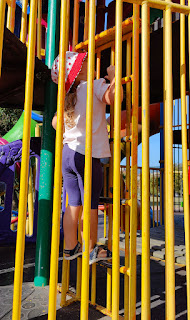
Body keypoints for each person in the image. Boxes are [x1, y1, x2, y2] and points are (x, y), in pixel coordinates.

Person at [51, 51, 123, 264]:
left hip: (67, 154)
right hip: (86, 155)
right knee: (90, 204)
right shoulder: (95, 85)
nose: (90, 64)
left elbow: (56, 124)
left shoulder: (67, 96)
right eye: (86, 62)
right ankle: (91, 248)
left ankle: (70, 246)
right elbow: (114, 98)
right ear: (79, 70)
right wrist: (114, 76)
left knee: (73, 204)